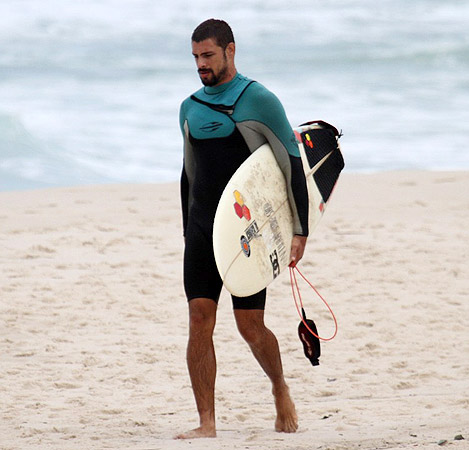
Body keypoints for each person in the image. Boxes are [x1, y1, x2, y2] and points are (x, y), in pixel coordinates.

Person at [176, 18, 309, 439]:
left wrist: (299, 230)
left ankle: (280, 388)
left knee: (249, 325)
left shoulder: (259, 100)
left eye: (208, 55)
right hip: (202, 231)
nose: (201, 64)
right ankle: (206, 423)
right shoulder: (190, 107)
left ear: (230, 50)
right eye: (195, 56)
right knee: (200, 318)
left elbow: (289, 163)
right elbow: (188, 174)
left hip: (243, 232)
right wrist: (187, 231)